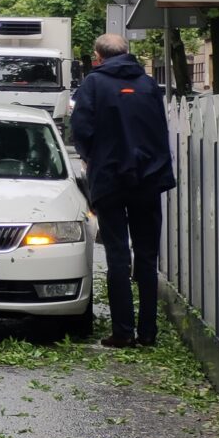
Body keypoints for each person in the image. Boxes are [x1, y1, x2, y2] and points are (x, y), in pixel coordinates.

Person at [70, 33, 176, 348]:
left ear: (97, 56)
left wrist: (93, 159)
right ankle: (148, 332)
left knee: (117, 254)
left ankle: (123, 332)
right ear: (127, 53)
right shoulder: (147, 86)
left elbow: (81, 130)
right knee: (146, 254)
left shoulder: (93, 85)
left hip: (110, 180)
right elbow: (159, 129)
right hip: (148, 178)